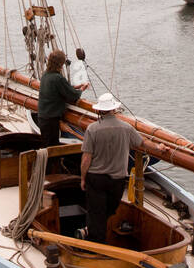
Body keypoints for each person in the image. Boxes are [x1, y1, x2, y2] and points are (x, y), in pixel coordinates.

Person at [80, 93, 143, 242]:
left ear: (99, 111)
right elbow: (141, 143)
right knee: (110, 209)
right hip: (117, 180)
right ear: (114, 110)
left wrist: (83, 178)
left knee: (96, 213)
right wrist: (159, 147)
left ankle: (96, 244)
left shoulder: (92, 129)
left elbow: (86, 158)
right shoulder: (127, 128)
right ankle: (95, 233)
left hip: (96, 178)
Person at [35, 49, 78, 148]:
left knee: (47, 146)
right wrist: (80, 90)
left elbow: (60, 89)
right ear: (60, 64)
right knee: (52, 148)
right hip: (51, 121)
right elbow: (72, 95)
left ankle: (48, 162)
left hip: (42, 118)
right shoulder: (57, 78)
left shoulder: (45, 75)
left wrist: (71, 88)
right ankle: (51, 163)